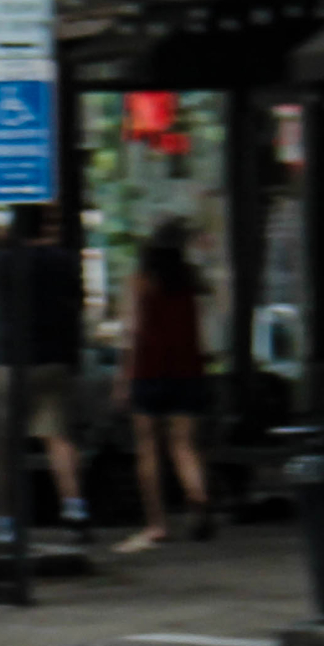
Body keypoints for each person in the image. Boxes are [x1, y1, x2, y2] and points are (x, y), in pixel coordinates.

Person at [113, 218, 213, 553]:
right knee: (184, 444)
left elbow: (132, 331)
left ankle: (157, 523)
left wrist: (123, 378)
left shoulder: (140, 281)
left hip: (148, 370)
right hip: (188, 369)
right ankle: (198, 497)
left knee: (148, 448)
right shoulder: (190, 281)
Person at [0, 214, 91, 543]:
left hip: (7, 360)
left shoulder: (0, 263)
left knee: (4, 446)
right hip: (53, 359)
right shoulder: (63, 262)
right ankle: (75, 510)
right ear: (45, 228)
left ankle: (5, 525)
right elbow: (78, 302)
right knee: (59, 439)